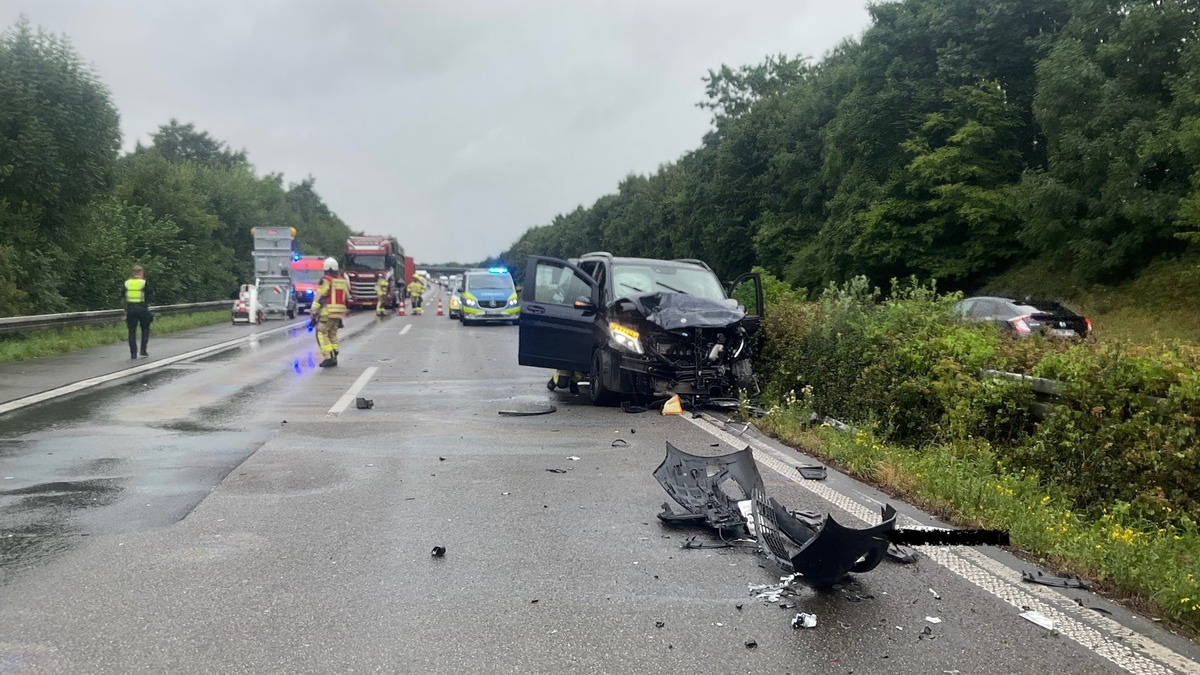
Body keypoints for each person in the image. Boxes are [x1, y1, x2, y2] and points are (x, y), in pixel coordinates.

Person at [309, 257, 350, 367]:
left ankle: (328, 357)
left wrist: (313, 310)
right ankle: (334, 354)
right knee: (332, 333)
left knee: (321, 333)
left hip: (327, 312)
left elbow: (320, 295)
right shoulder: (342, 280)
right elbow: (347, 296)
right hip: (339, 313)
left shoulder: (326, 280)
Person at [122, 265, 153, 359]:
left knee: (131, 331)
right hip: (142, 308)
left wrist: (126, 309)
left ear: (133, 272)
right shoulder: (144, 283)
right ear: (141, 272)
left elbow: (122, 298)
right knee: (145, 329)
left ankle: (133, 353)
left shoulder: (127, 283)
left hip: (131, 308)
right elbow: (150, 294)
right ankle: (143, 350)